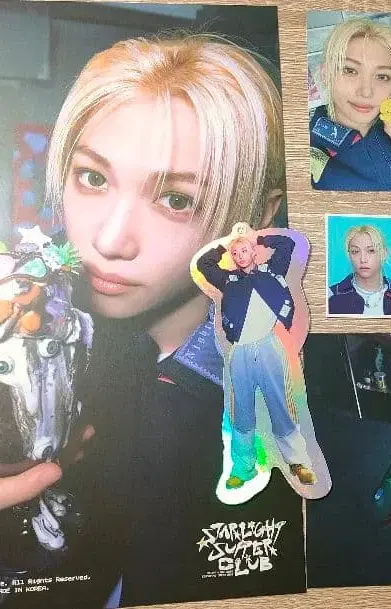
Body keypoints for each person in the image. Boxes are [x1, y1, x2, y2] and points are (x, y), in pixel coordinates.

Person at [0, 34, 305, 607]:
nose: (109, 241)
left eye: (177, 199)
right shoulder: (35, 331)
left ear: (257, 217)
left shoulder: (276, 405)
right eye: (93, 178)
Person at [195, 223, 316, 490]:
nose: (240, 256)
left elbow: (287, 244)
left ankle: (298, 463)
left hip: (269, 346)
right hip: (240, 350)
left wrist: (258, 238)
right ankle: (243, 468)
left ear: (253, 252)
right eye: (235, 253)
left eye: (244, 250)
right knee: (242, 411)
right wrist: (223, 246)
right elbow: (204, 264)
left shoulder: (272, 271)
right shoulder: (228, 280)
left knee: (280, 405)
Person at [309, 18, 391, 191]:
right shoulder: (305, 151)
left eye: (382, 76)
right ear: (325, 74)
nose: (366, 92)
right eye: (350, 70)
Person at [328, 224, 391, 316]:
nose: (363, 259)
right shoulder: (330, 297)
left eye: (371, 250)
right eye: (355, 251)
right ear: (349, 255)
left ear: (384, 253)